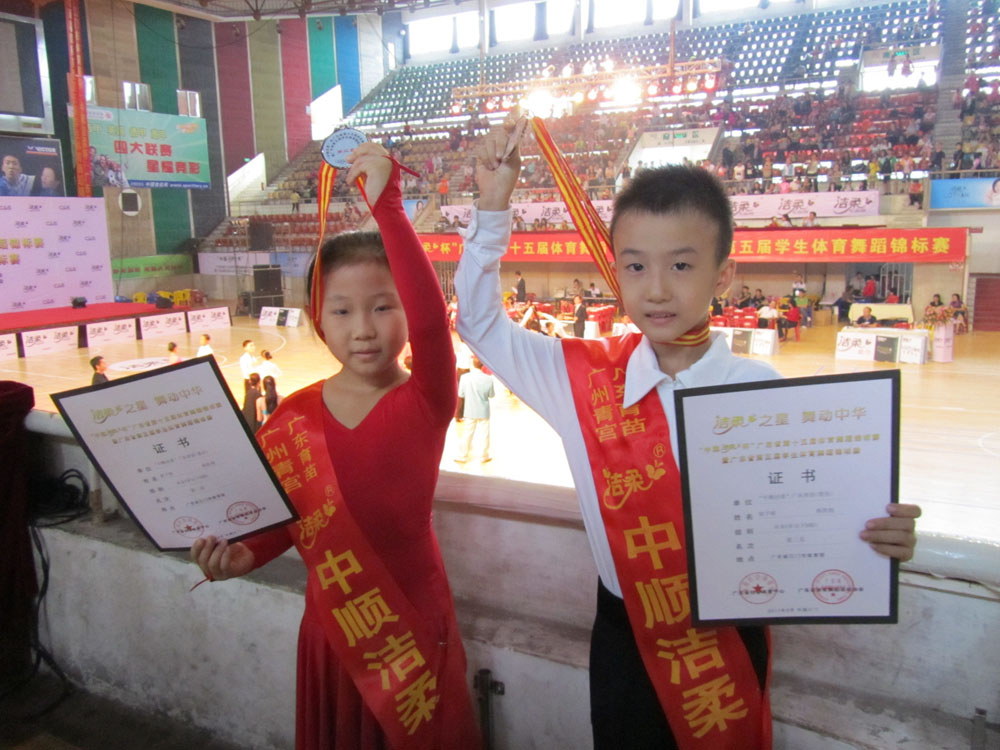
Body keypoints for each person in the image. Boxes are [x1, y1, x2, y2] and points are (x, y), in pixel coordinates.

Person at [457, 120, 920, 749]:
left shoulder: (760, 390)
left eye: (680, 265)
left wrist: (876, 533)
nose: (656, 289)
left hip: (728, 639)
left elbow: (812, 510)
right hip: (625, 641)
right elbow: (479, 323)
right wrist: (492, 205)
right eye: (636, 266)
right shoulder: (577, 379)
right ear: (616, 271)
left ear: (722, 275)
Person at [191, 144, 480, 750]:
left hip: (412, 621)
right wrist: (244, 556)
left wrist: (389, 207)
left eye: (383, 307)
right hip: (334, 627)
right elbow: (287, 519)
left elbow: (433, 325)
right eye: (342, 311)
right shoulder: (291, 418)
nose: (364, 329)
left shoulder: (425, 398)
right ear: (317, 316)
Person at [454, 355, 495, 463]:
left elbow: (461, 394)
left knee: (467, 433)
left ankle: (462, 456)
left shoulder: (465, 378)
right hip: (484, 410)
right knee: (484, 434)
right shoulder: (488, 379)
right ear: (482, 366)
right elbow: (491, 395)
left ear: (473, 364)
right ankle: (483, 456)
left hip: (470, 410)